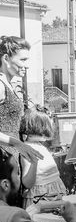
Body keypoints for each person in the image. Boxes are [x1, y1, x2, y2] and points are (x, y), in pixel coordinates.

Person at [0, 36, 43, 165]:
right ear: (6, 59)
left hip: (10, 156)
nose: (27, 65)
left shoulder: (8, 84)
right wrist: (17, 143)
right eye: (23, 60)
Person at [19, 107, 67, 213]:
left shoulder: (38, 145)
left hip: (50, 196)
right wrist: (34, 163)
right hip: (41, 198)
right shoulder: (28, 149)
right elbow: (27, 183)